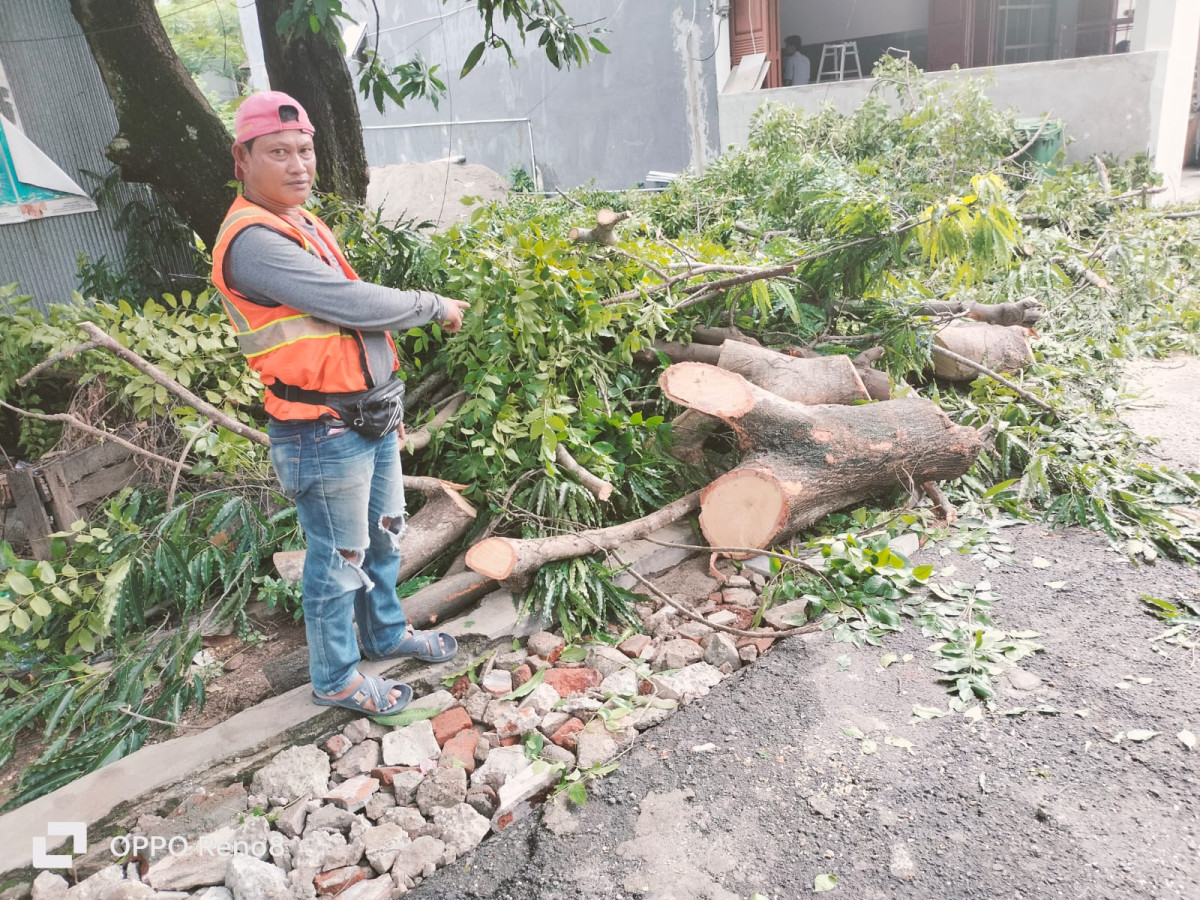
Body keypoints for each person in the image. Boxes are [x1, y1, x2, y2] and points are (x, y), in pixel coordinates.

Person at [211, 91, 471, 717]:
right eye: (278, 152)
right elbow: (352, 304)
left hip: (367, 416)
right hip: (321, 430)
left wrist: (386, 397)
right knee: (337, 559)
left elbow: (345, 332)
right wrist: (433, 305)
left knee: (384, 538)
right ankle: (336, 679)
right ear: (242, 160)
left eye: (305, 150)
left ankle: (384, 633)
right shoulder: (253, 240)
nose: (298, 164)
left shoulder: (300, 221)